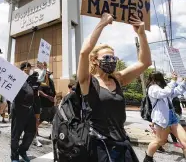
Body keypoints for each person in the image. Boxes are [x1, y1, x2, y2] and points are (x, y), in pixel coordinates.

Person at [78, 13, 151, 161]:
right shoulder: (87, 81)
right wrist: (102, 24)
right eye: (106, 58)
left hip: (122, 143)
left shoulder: (118, 79)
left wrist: (141, 34)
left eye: (113, 58)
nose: (111, 61)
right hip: (99, 147)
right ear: (94, 60)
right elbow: (84, 52)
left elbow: (145, 63)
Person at [144, 72, 186, 162]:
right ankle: (148, 158)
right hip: (162, 120)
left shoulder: (164, 88)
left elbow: (175, 91)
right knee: (160, 141)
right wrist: (173, 81)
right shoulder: (152, 88)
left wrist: (184, 82)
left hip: (173, 118)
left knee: (185, 141)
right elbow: (164, 93)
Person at [11, 62, 36, 162]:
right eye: (25, 70)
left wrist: (43, 69)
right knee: (16, 135)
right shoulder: (15, 79)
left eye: (29, 70)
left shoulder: (31, 80)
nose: (27, 72)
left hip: (30, 110)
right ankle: (14, 156)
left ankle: (22, 150)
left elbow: (42, 80)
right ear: (21, 70)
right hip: (19, 110)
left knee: (31, 132)